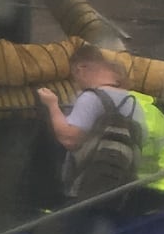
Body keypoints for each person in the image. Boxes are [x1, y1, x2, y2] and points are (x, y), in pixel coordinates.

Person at [35, 44, 145, 202]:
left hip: (88, 190)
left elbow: (69, 138)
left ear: (80, 69)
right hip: (122, 191)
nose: (77, 82)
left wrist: (52, 104)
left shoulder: (91, 98)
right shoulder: (134, 103)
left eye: (75, 76)